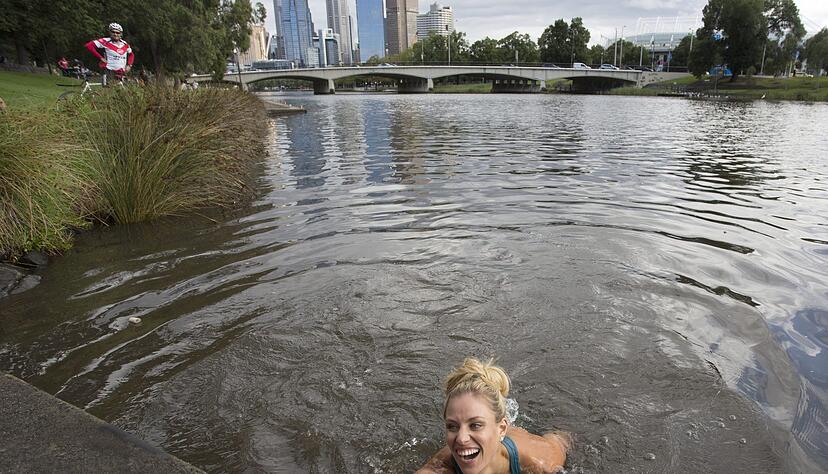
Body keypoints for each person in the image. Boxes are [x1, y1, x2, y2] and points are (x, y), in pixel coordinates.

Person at [416, 358, 570, 474]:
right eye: (452, 426)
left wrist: (560, 439)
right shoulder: (438, 469)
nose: (461, 439)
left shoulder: (540, 462)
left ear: (502, 428)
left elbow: (562, 441)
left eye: (475, 425)